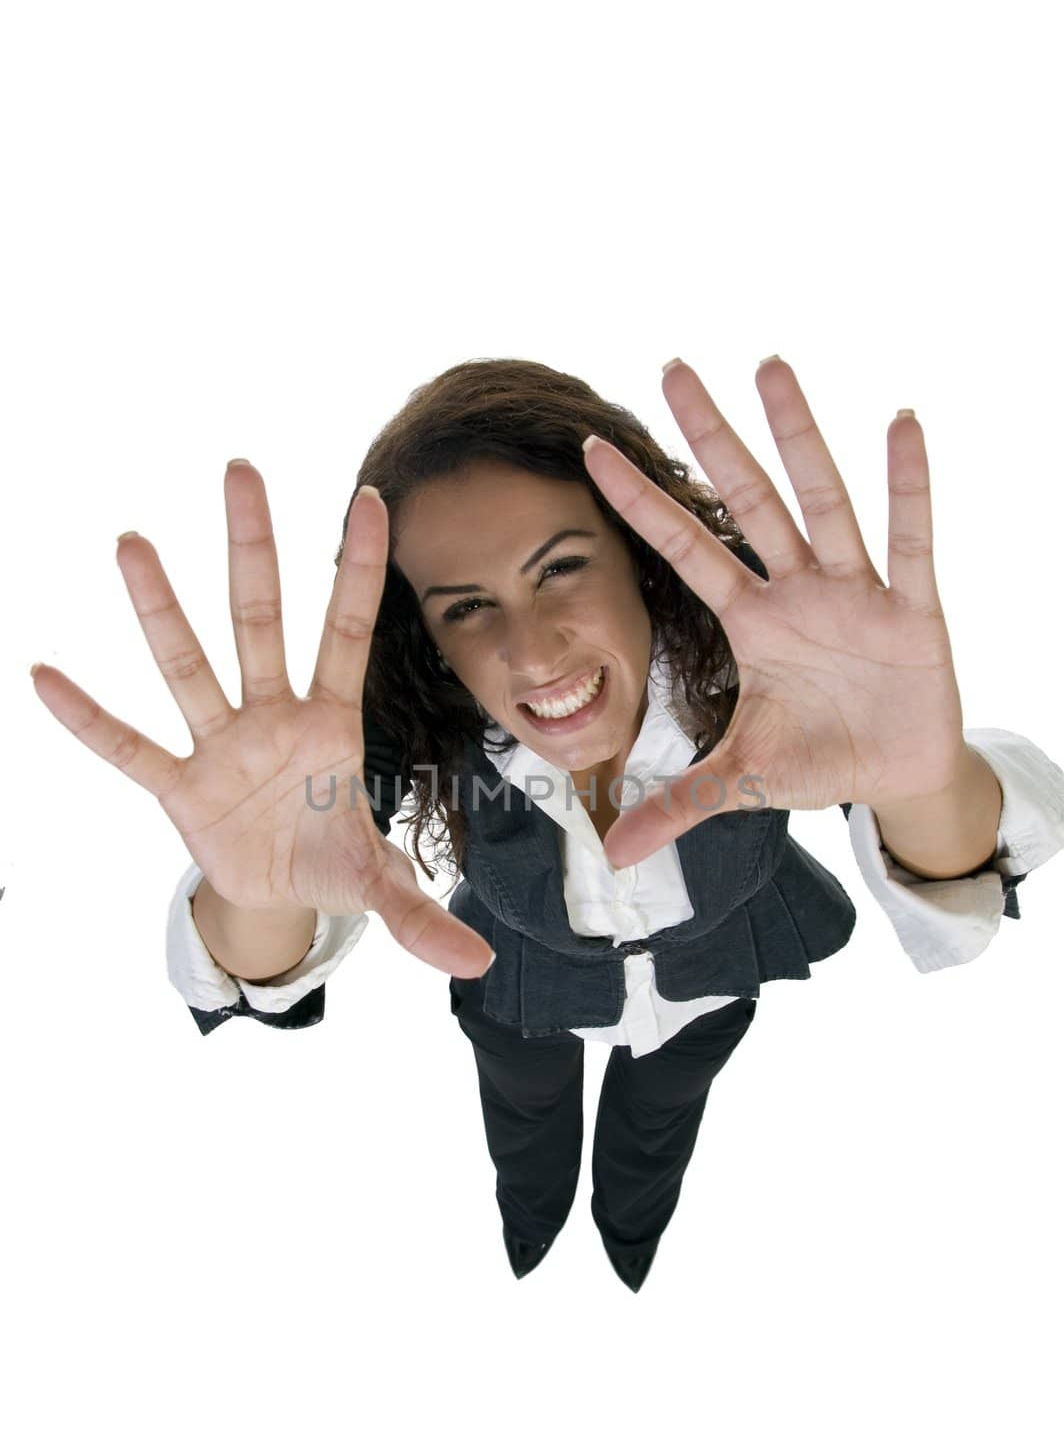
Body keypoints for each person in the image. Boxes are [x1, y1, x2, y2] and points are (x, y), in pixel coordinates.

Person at [31, 354, 1064, 1294]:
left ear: (639, 552)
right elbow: (273, 919)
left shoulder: (773, 685)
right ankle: (528, 1223)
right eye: (468, 607)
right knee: (522, 1115)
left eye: (560, 566)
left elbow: (952, 857)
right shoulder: (410, 729)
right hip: (516, 989)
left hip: (709, 979)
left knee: (658, 1115)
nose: (531, 653)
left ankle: (630, 1225)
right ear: (429, 639)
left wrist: (922, 777)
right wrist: (255, 895)